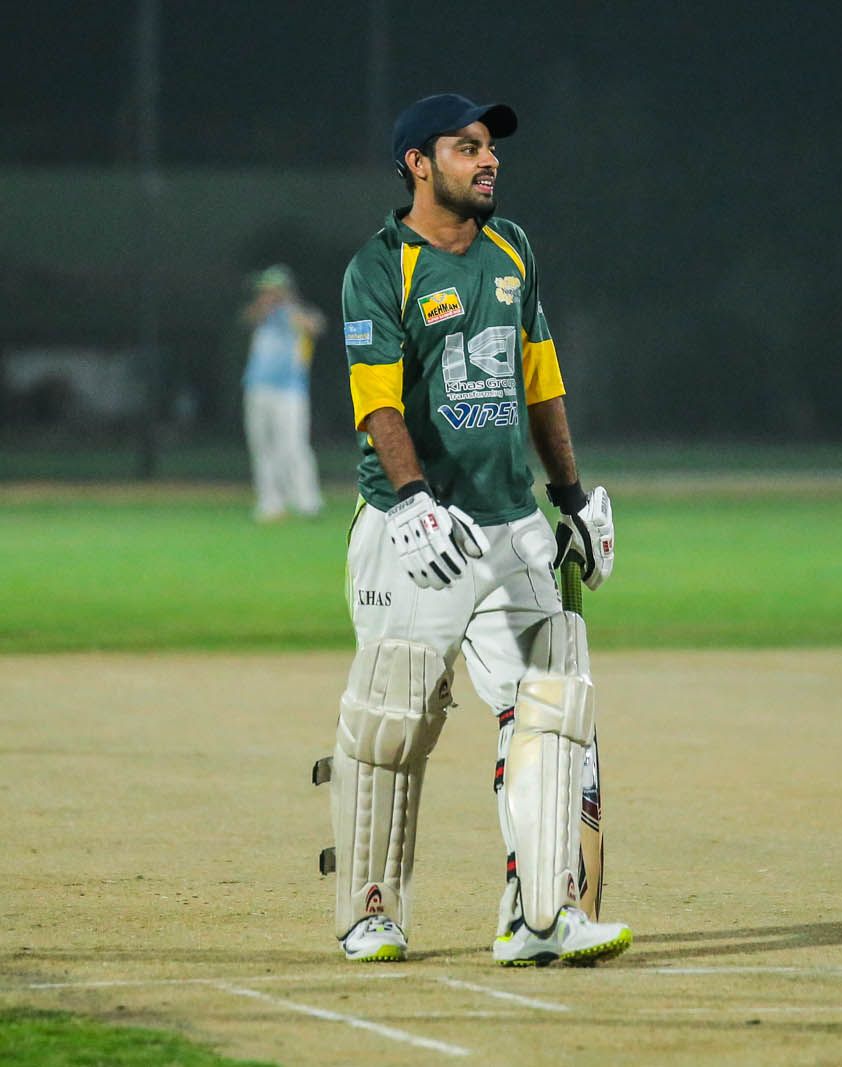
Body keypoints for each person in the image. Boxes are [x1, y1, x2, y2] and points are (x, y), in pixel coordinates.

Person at [314, 92, 631, 967]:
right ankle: (370, 911)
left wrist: (571, 495)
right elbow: (377, 404)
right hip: (411, 529)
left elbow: (540, 379)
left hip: (510, 521)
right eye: (467, 147)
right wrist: (412, 499)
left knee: (551, 704)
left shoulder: (512, 248)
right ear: (418, 164)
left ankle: (539, 914)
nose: (488, 160)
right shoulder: (381, 267)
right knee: (394, 717)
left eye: (490, 147)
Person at [241, 264, 324, 521]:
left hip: (290, 390)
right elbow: (247, 318)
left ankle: (307, 500)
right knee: (262, 447)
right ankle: (270, 503)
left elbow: (316, 326)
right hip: (257, 387)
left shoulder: (295, 313)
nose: (266, 295)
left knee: (293, 445)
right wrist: (265, 307)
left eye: (271, 290)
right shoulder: (262, 315)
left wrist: (288, 307)